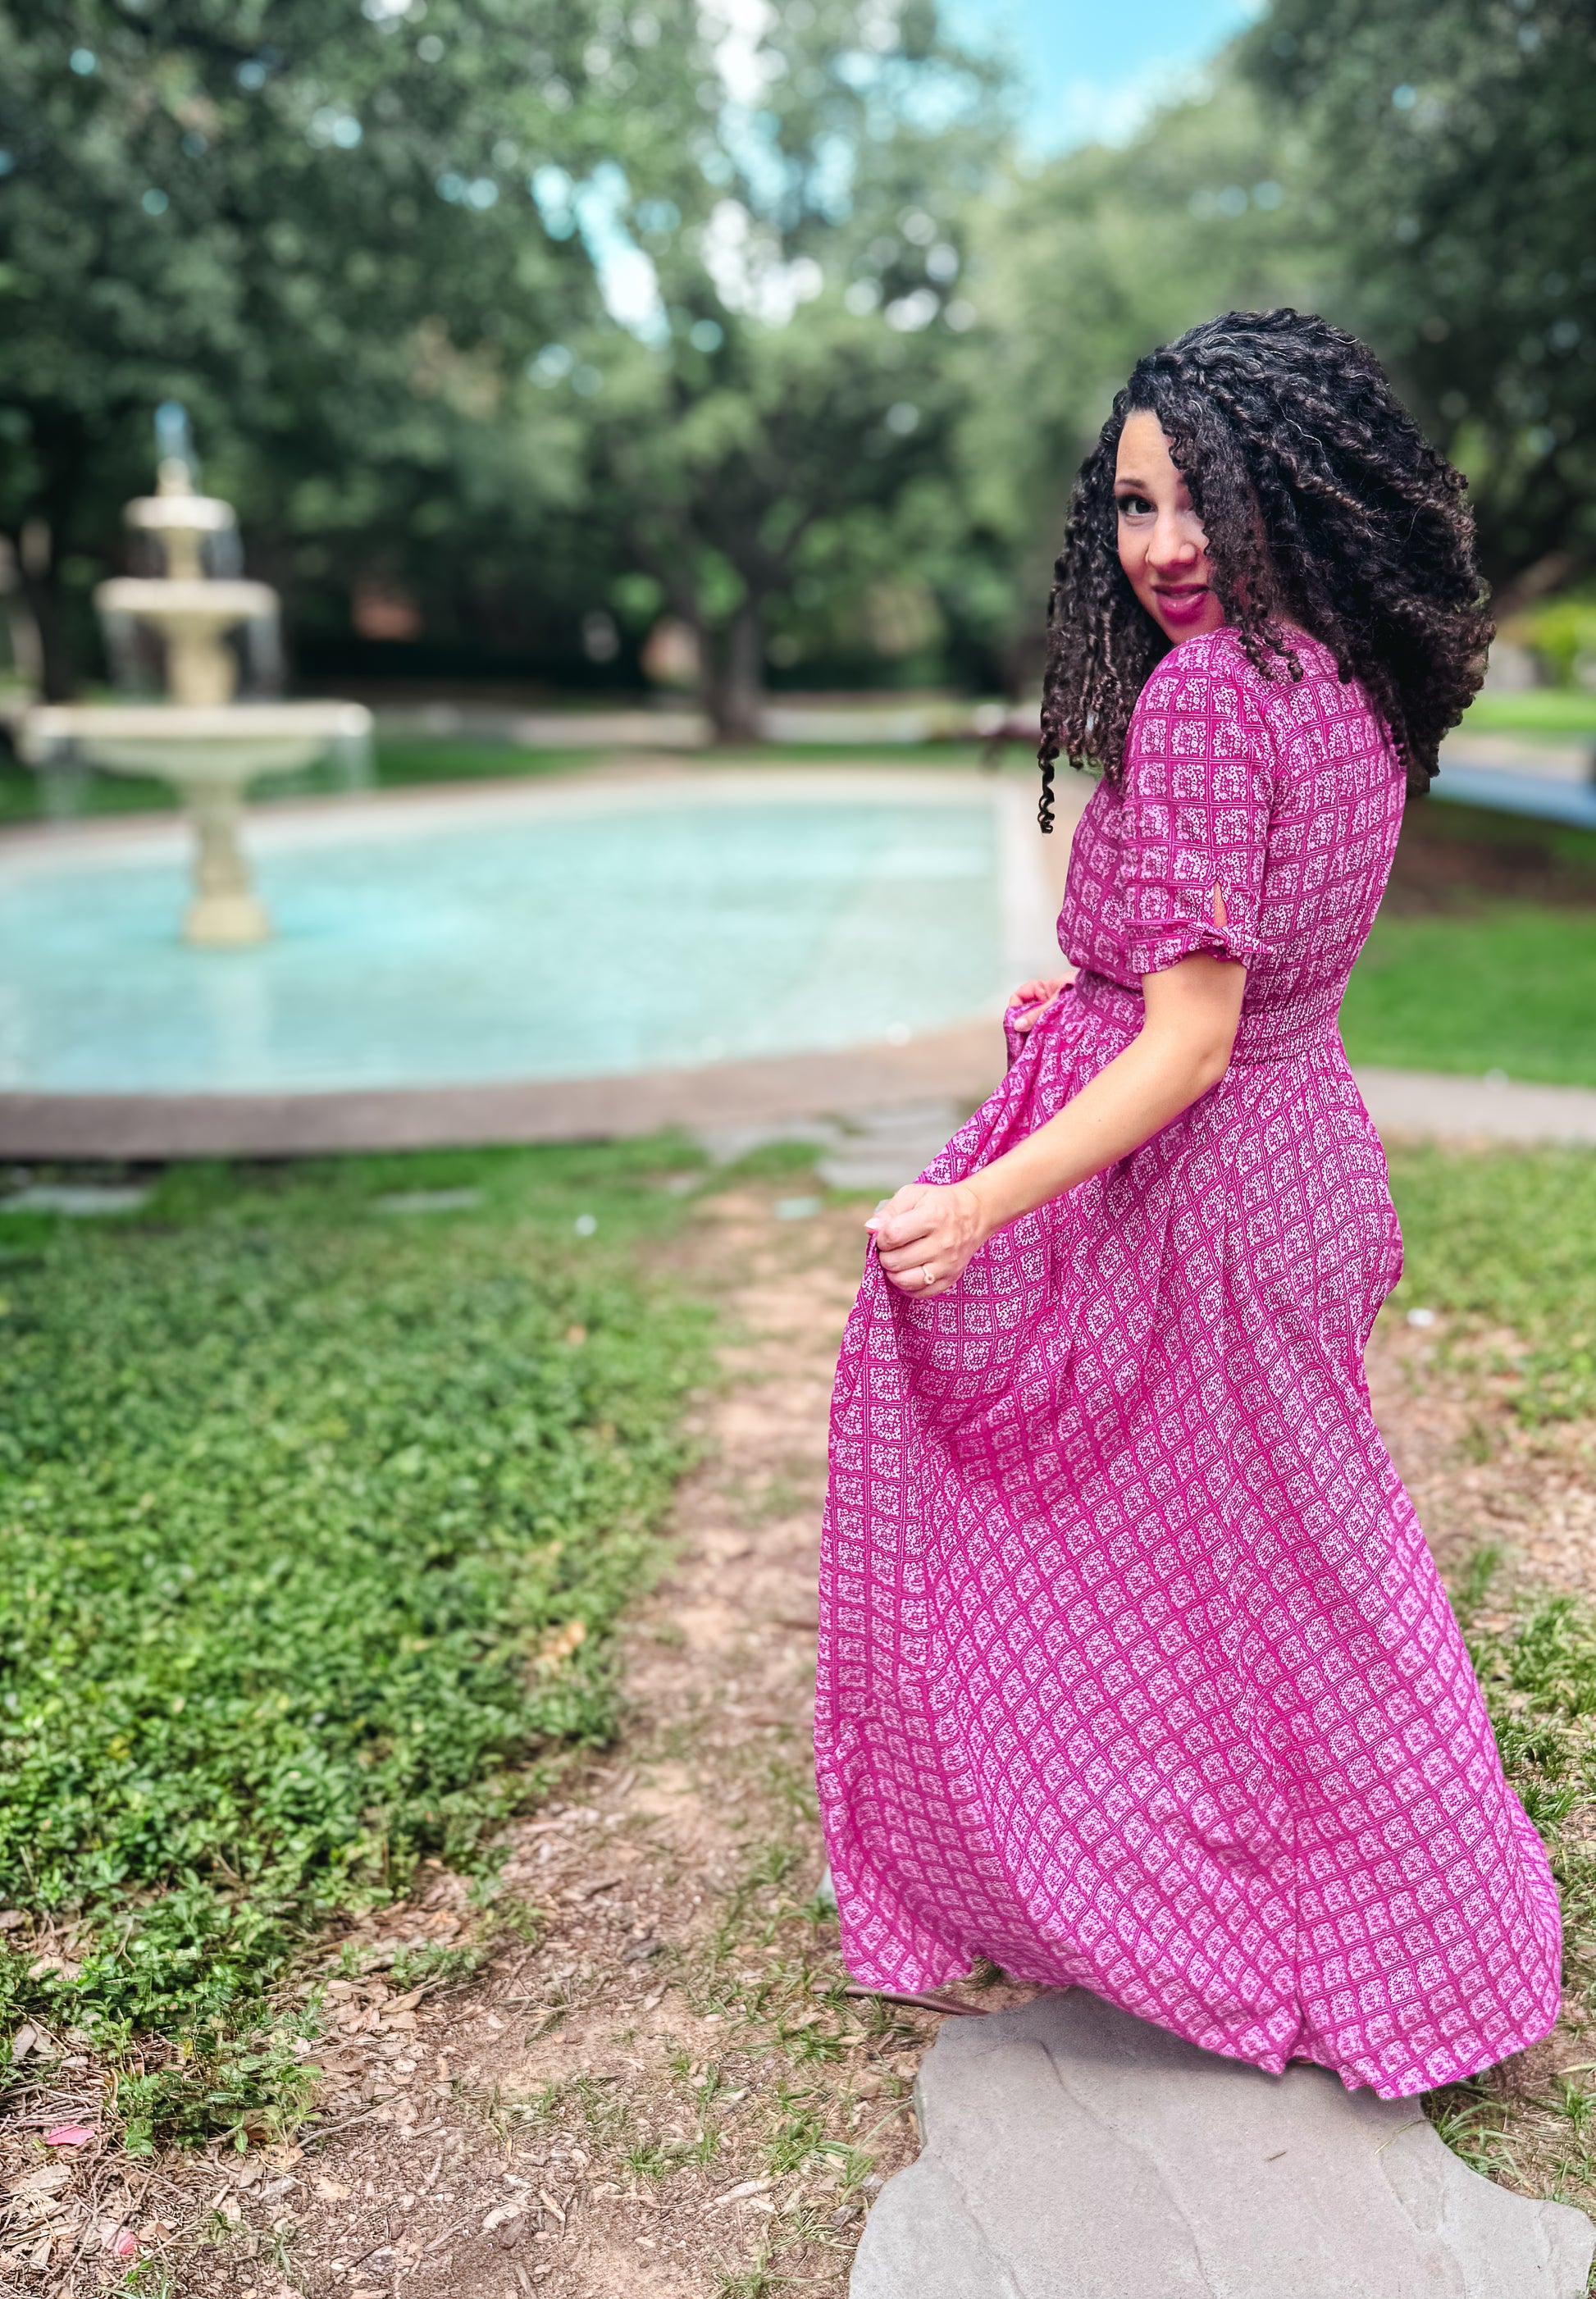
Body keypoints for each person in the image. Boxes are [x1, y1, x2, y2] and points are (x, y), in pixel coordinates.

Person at [814, 308, 1561, 2100]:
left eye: (1197, 500)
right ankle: (1370, 1921)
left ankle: (1350, 1932)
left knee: (1207, 1560)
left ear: (1288, 488)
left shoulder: (1220, 695)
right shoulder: (1352, 680)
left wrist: (982, 1197)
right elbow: (1240, 977)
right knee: (1277, 1567)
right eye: (1132, 504)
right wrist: (1073, 1009)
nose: (1160, 546)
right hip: (1310, 1168)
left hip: (1209, 1191)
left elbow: (1196, 1041)